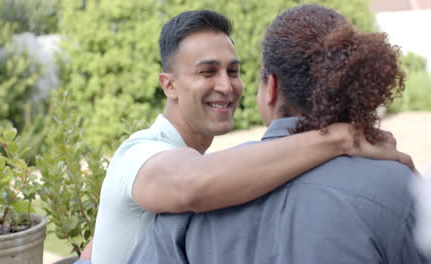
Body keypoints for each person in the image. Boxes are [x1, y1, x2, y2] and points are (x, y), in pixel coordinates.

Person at [77, 9, 413, 264]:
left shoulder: (221, 171)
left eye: (234, 71)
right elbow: (191, 184)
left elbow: (96, 248)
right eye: (207, 71)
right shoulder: (141, 152)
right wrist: (340, 138)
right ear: (168, 85)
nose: (226, 85)